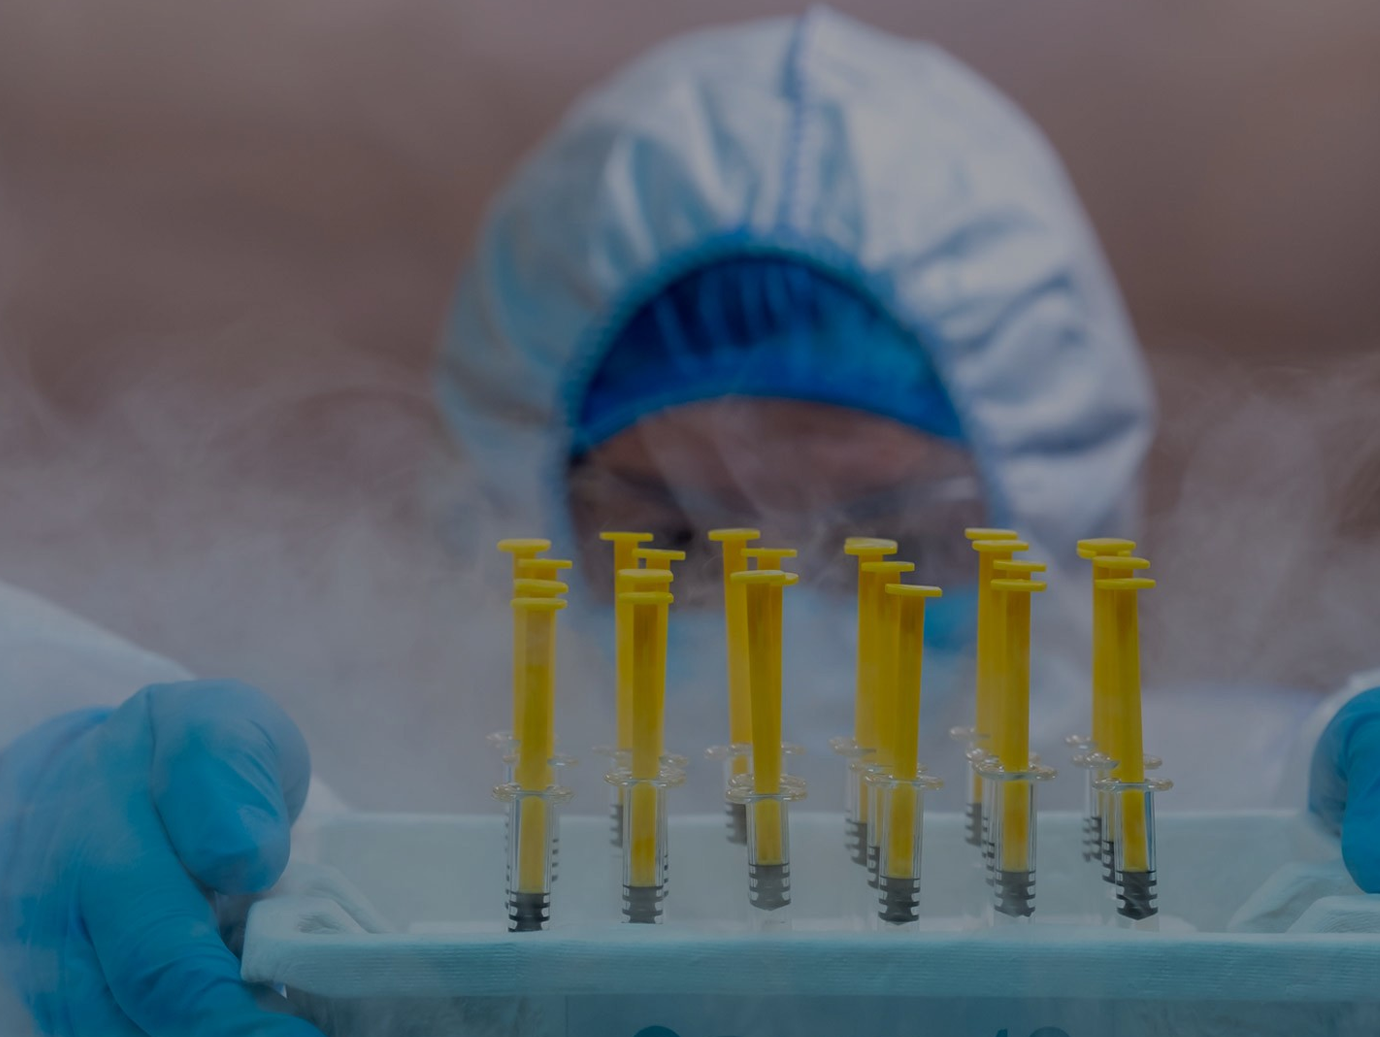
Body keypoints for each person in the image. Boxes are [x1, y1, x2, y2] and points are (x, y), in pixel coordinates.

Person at [0, 9, 1376, 1035]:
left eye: (895, 543)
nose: (791, 601)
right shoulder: (331, 847)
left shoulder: (1251, 823)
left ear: (1057, 528)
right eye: (672, 544)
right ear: (509, 523)